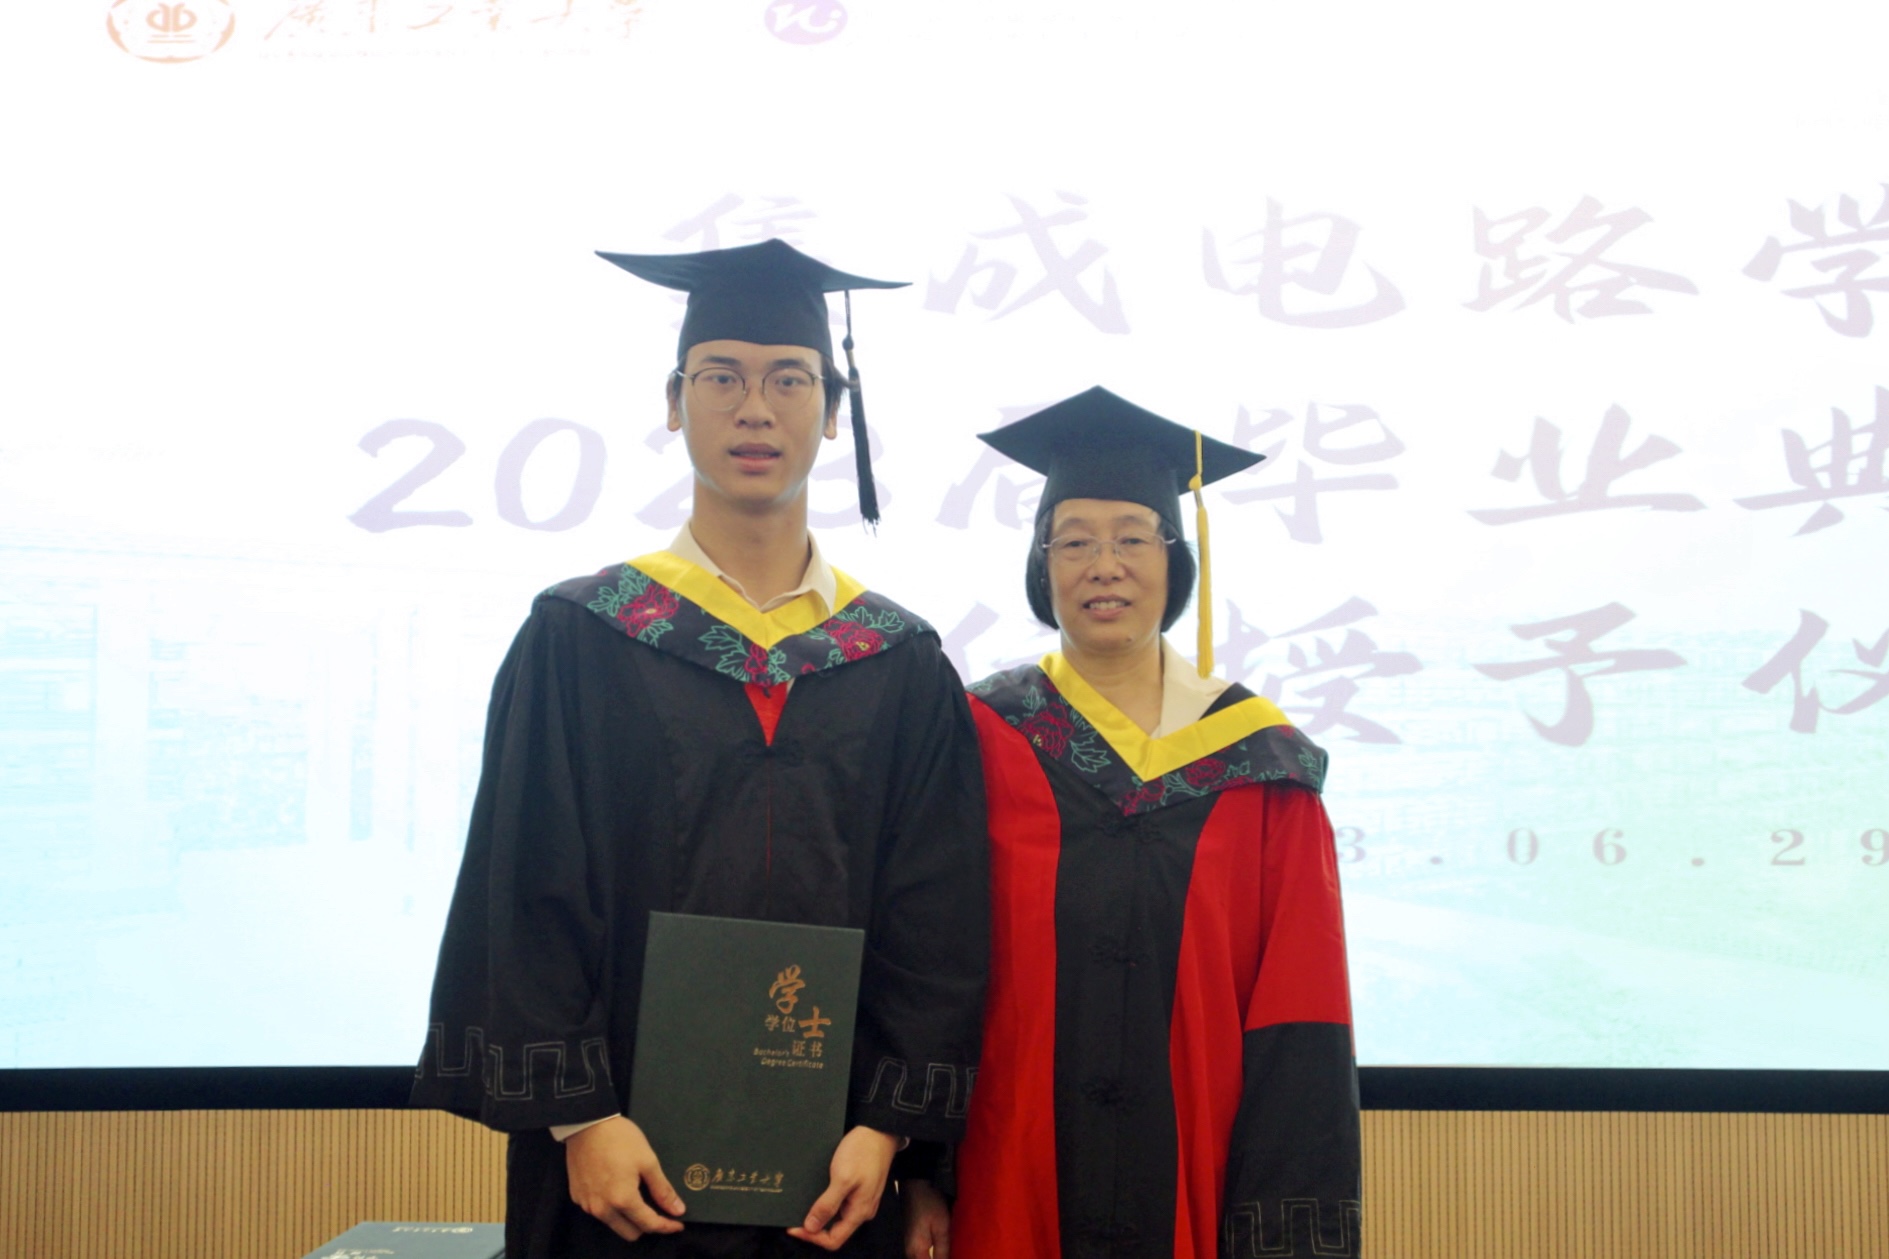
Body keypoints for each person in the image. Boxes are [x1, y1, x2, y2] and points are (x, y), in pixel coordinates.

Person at [412, 238, 989, 1259]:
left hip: (835, 1183)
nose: (754, 408)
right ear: (674, 403)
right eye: (720, 377)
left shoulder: (897, 662)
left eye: (789, 380)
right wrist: (580, 1117)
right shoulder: (581, 636)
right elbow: (527, 884)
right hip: (617, 1179)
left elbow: (935, 915)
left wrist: (888, 1126)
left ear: (833, 410)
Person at [917, 387, 1360, 1259]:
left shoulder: (1261, 765)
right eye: (1074, 540)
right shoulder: (978, 736)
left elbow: (1299, 1013)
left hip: (1200, 1170)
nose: (1103, 564)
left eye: (1131, 538)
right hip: (1009, 1173)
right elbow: (932, 965)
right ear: (1042, 564)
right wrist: (924, 1169)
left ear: (1173, 559)